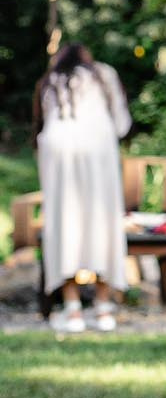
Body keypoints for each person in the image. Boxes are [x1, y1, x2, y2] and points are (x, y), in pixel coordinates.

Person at [33, 44, 131, 335]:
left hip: (58, 151)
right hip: (98, 149)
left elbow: (42, 124)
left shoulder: (51, 80)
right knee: (103, 224)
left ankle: (73, 307)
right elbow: (122, 124)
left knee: (64, 224)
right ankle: (103, 307)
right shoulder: (104, 74)